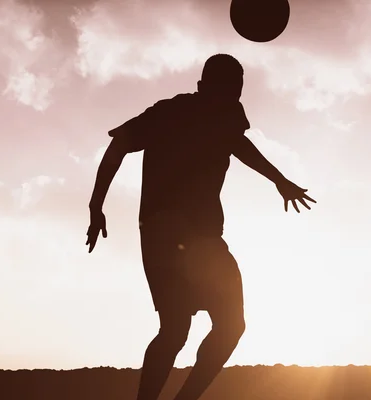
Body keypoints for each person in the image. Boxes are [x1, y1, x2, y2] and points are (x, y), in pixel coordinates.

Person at [86, 53, 316, 400]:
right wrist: (95, 205)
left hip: (199, 237)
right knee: (180, 329)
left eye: (237, 90)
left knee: (217, 327)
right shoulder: (169, 112)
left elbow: (239, 145)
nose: (233, 96)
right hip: (167, 231)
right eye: (227, 88)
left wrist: (279, 180)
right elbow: (119, 144)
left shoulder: (226, 116)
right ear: (203, 86)